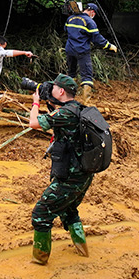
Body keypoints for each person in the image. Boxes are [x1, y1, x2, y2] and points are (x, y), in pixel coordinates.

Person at [29, 74, 101, 265]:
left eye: (53, 87)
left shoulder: (66, 114)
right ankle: (82, 250)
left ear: (60, 91)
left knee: (41, 213)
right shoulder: (77, 108)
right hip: (83, 174)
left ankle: (39, 260)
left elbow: (34, 124)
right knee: (69, 210)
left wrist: (35, 103)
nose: (50, 89)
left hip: (70, 177)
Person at [63, 0, 117, 100]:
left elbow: (66, 30)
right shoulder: (89, 22)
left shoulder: (70, 18)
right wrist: (109, 46)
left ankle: (68, 99)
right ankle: (85, 102)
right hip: (82, 51)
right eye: (95, 14)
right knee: (87, 76)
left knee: (71, 73)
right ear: (92, 12)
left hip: (69, 50)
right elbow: (97, 38)